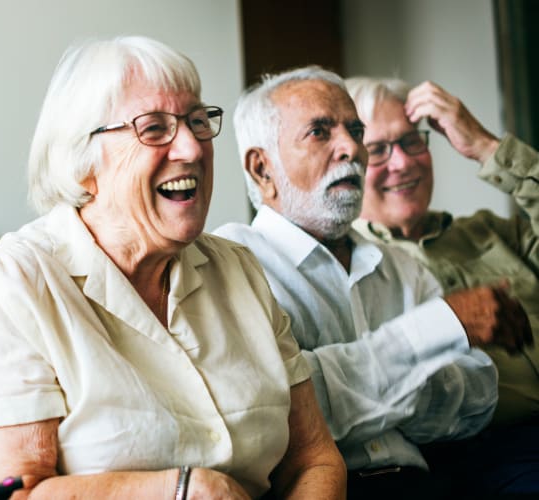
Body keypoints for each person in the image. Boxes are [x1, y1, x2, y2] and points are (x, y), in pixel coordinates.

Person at [0, 36, 345, 499]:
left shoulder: (238, 269)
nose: (191, 148)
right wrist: (185, 491)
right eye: (153, 128)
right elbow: (9, 495)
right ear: (82, 162)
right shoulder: (13, 284)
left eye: (196, 121)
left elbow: (315, 458)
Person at [213, 66, 532, 500]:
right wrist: (434, 335)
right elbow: (281, 412)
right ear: (262, 168)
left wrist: (351, 380)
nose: (351, 148)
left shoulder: (400, 265)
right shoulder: (233, 260)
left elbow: (477, 396)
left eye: (354, 130)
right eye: (320, 132)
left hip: (425, 485)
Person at [346, 76, 539, 496]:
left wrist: (488, 148)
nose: (402, 163)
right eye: (377, 150)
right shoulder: (353, 265)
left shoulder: (490, 231)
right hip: (485, 454)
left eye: (412, 141)